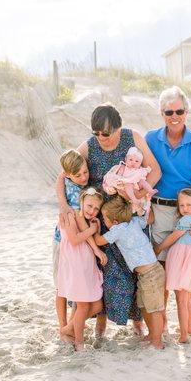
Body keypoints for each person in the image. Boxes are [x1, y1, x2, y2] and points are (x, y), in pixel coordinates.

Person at [56, 103, 161, 336]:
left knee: (133, 272)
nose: (101, 137)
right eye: (96, 133)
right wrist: (63, 205)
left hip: (129, 220)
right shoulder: (90, 146)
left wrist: (138, 195)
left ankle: (137, 324)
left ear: (118, 128)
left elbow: (155, 171)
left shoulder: (132, 137)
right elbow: (64, 174)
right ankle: (99, 326)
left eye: (106, 133)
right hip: (101, 222)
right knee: (103, 275)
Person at [145, 86, 191, 329]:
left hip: (189, 211)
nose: (174, 116)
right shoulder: (150, 139)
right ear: (161, 113)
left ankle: (185, 321)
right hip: (159, 211)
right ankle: (162, 324)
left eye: (179, 111)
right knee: (161, 269)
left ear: (187, 111)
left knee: (186, 269)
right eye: (168, 111)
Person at [94, 196, 165, 349]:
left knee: (155, 309)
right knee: (143, 305)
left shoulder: (117, 230)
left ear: (114, 221)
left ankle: (158, 342)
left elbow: (99, 241)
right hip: (145, 274)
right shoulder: (133, 222)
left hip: (151, 273)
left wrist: (96, 228)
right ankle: (152, 334)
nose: (105, 221)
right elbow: (150, 220)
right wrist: (146, 205)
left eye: (105, 218)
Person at [53, 150, 106, 337]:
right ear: (69, 175)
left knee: (71, 285)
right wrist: (96, 246)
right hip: (66, 242)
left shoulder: (75, 183)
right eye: (78, 175)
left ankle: (71, 326)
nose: (84, 177)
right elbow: (83, 230)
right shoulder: (75, 196)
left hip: (76, 243)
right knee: (62, 285)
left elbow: (60, 177)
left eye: (86, 172)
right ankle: (65, 327)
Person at [154, 188, 191, 343]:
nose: (185, 209)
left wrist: (159, 248)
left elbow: (174, 236)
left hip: (181, 259)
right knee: (186, 299)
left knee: (181, 299)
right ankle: (189, 328)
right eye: (182, 205)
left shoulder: (186, 220)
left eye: (189, 205)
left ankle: (184, 335)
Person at [58, 187, 107, 351]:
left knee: (97, 305)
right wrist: (92, 230)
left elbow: (90, 239)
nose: (92, 211)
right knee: (84, 306)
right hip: (75, 265)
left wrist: (97, 251)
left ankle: (69, 328)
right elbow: (74, 239)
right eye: (89, 206)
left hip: (87, 264)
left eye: (96, 208)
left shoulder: (83, 219)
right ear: (82, 202)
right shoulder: (71, 216)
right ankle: (79, 342)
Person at [103, 146, 157, 212]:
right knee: (128, 185)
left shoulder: (139, 170)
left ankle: (150, 190)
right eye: (130, 160)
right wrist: (120, 180)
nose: (133, 162)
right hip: (127, 184)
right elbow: (118, 177)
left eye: (137, 161)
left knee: (142, 181)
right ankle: (134, 199)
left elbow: (143, 175)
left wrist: (145, 172)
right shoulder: (123, 167)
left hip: (137, 185)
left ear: (140, 163)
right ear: (126, 159)